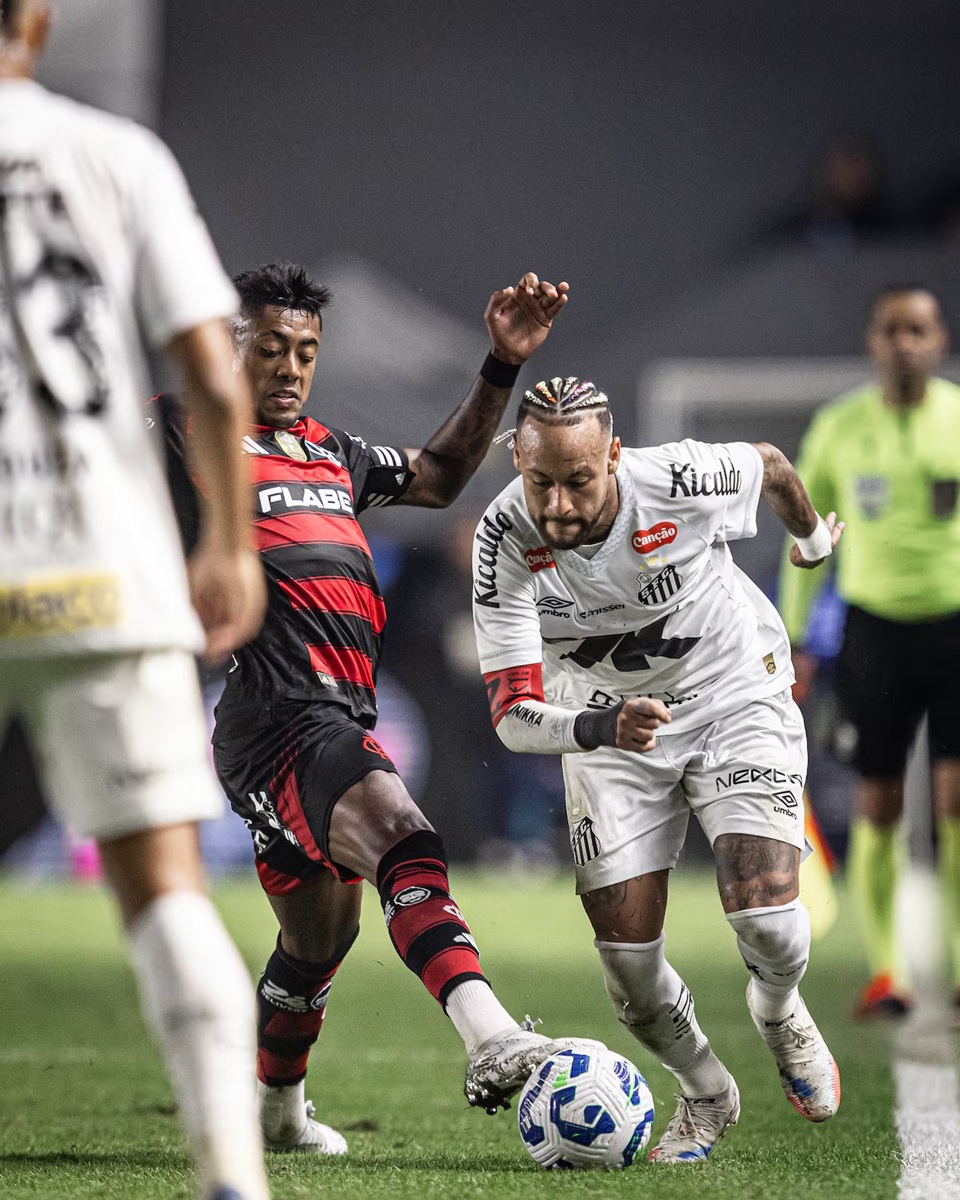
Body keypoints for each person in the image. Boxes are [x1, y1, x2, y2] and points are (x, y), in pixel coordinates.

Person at [159, 261, 599, 1154]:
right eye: (270, 347)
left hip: (333, 715)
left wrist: (501, 365)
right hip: (277, 714)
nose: (289, 367)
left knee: (317, 944)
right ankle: (491, 1036)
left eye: (306, 352)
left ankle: (277, 1116)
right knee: (406, 835)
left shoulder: (329, 448)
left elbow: (437, 474)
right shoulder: (185, 432)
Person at [0, 4, 269, 1200]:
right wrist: (228, 542)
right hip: (100, 566)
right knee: (162, 887)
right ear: (39, 22)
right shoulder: (117, 156)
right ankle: (230, 1180)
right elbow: (212, 373)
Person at [470, 376, 843, 1163]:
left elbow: (771, 466)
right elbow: (510, 716)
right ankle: (707, 1092)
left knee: (768, 921)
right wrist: (603, 726)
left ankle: (777, 1009)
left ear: (614, 454)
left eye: (580, 480)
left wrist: (811, 541)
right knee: (629, 973)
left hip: (732, 691)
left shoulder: (677, 477)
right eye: (542, 483)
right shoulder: (503, 538)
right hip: (607, 726)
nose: (561, 506)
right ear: (518, 462)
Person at [779, 285, 960, 1021]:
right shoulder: (839, 428)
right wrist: (794, 642)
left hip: (954, 627)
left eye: (918, 329)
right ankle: (890, 973)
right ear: (873, 342)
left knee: (956, 802)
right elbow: (807, 538)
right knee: (878, 804)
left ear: (939, 339)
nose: (905, 343)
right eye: (892, 329)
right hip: (874, 634)